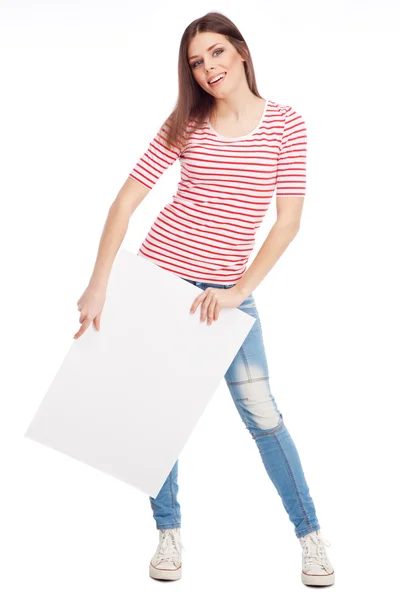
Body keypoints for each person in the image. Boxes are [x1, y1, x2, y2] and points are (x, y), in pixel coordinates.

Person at [74, 11, 335, 588]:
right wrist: (100, 284)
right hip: (158, 283)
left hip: (226, 295)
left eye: (216, 53)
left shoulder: (287, 124)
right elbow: (124, 202)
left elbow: (288, 223)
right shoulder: (186, 123)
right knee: (155, 418)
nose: (208, 68)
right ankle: (168, 533)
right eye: (196, 61)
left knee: (263, 417)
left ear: (242, 52)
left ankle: (310, 537)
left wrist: (239, 291)